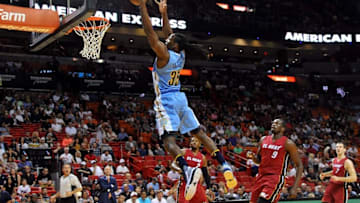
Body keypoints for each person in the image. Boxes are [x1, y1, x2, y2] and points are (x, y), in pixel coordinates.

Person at [136, 0, 237, 199]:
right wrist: (164, 13)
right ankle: (224, 164)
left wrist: (142, 6)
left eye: (170, 38)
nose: (168, 38)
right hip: (181, 98)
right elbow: (168, 33)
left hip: (166, 99)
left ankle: (188, 169)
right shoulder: (180, 53)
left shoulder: (164, 54)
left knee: (169, 142)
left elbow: (151, 35)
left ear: (174, 43)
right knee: (199, 133)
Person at [248, 118, 303, 203]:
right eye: (273, 123)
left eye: (277, 123)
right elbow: (258, 161)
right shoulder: (263, 140)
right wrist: (252, 157)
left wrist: (295, 187)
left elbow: (299, 165)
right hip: (261, 176)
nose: (273, 124)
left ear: (283, 128)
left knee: (263, 201)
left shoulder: (288, 144)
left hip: (275, 178)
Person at [174, 137, 210, 203]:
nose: (193, 142)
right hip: (185, 183)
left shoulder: (203, 157)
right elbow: (173, 165)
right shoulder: (183, 152)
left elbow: (206, 174)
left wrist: (208, 188)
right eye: (192, 141)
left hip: (196, 184)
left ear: (199, 144)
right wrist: (180, 170)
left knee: (204, 201)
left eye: (196, 141)